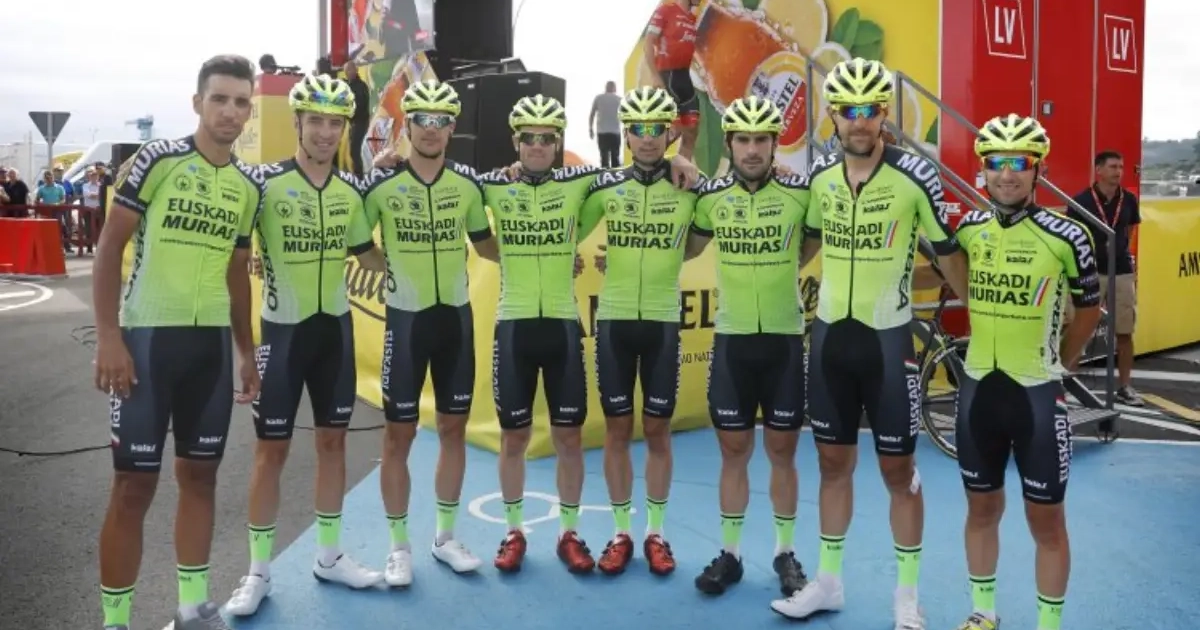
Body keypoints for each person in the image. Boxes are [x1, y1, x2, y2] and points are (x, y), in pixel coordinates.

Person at [771, 58, 969, 628]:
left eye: (870, 110)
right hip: (831, 341)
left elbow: (949, 254)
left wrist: (978, 320)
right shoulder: (820, 176)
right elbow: (804, 241)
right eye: (848, 110)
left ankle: (907, 596)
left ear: (885, 114)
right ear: (833, 115)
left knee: (898, 471)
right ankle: (828, 583)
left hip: (888, 344)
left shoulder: (915, 175)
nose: (859, 121)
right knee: (832, 464)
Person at [91, 54, 262, 630]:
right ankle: (116, 622)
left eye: (241, 102)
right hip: (146, 342)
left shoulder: (246, 186)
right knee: (133, 486)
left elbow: (237, 275)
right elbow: (109, 247)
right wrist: (109, 337)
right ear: (197, 103)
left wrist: (246, 352)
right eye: (220, 99)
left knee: (201, 476)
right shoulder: (159, 159)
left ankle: (192, 607)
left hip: (210, 351)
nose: (231, 111)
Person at [225, 74, 391, 617]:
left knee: (333, 444)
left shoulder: (350, 192)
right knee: (270, 451)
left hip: (334, 334)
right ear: (297, 122)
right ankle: (257, 572)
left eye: (334, 123)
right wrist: (244, 350)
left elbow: (370, 259)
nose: (324, 132)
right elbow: (234, 267)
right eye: (315, 120)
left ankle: (329, 555)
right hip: (282, 335)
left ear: (345, 129)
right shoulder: (264, 184)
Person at [950, 114, 1101, 630]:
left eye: (1019, 162)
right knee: (980, 511)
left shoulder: (1067, 235)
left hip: (1036, 396)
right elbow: (944, 269)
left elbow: (1090, 309)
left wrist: (1066, 359)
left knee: (1046, 521)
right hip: (978, 392)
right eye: (996, 163)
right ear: (983, 169)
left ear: (1038, 169)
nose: (1007, 174)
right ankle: (983, 613)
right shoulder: (969, 229)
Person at [358, 79, 500, 586]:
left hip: (454, 322)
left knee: (452, 430)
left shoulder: (467, 185)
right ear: (408, 125)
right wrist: (394, 270)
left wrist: (543, 257)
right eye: (422, 119)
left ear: (452, 127)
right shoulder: (381, 184)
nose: (432, 129)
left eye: (442, 121)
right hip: (406, 322)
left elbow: (486, 247)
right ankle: (399, 547)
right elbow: (360, 248)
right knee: (398, 434)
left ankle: (445, 538)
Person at [681, 96, 810, 598]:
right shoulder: (710, 198)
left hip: (782, 341)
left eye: (761, 140)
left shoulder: (800, 195)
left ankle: (785, 552)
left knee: (782, 452)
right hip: (733, 341)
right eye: (742, 139)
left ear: (775, 145)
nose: (752, 149)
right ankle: (731, 555)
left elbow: (810, 246)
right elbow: (689, 246)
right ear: (730, 145)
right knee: (733, 452)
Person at [478, 94, 603, 573]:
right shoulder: (494, 186)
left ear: (557, 143)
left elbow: (635, 172)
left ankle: (569, 533)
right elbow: (442, 178)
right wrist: (387, 160)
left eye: (546, 138)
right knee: (514, 437)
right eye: (528, 137)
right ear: (516, 141)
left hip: (562, 329)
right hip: (514, 327)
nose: (536, 145)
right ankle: (513, 531)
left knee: (569, 437)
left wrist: (681, 161)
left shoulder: (578, 184)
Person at [579, 85, 700, 577]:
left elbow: (698, 243)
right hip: (614, 322)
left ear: (668, 133)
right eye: (638, 129)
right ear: (625, 134)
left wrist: (689, 163)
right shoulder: (605, 187)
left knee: (657, 430)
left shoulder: (690, 186)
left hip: (663, 323)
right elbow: (564, 216)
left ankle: (656, 533)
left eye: (656, 129)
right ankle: (620, 532)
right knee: (616, 429)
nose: (647, 139)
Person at [1065, 150, 1142, 405]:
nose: (1118, 171)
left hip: (1121, 271)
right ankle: (1068, 385)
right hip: (1090, 271)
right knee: (1078, 329)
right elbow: (1071, 236)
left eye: (1120, 167)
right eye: (1112, 166)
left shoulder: (1129, 199)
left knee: (1125, 331)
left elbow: (1130, 230)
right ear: (1098, 170)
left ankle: (1125, 386)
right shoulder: (1081, 201)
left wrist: (1120, 252)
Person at [643, 0, 701, 160]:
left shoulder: (693, 18)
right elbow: (648, 41)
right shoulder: (666, 10)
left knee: (692, 131)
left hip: (685, 78)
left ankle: (682, 172)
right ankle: (651, 166)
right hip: (666, 76)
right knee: (670, 131)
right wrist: (655, 75)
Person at [344, 60, 373, 174]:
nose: (347, 72)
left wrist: (349, 112)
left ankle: (360, 175)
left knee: (355, 151)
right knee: (354, 151)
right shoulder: (350, 85)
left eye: (349, 69)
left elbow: (360, 106)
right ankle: (358, 174)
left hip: (360, 122)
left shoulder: (360, 86)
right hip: (355, 122)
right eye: (346, 70)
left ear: (356, 70)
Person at [589, 81, 623, 168]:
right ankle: (616, 175)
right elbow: (625, 116)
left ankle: (605, 175)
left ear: (606, 87)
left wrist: (590, 129)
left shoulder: (598, 98)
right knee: (615, 158)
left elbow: (592, 114)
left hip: (602, 133)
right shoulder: (619, 99)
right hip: (615, 133)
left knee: (604, 159)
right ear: (614, 88)